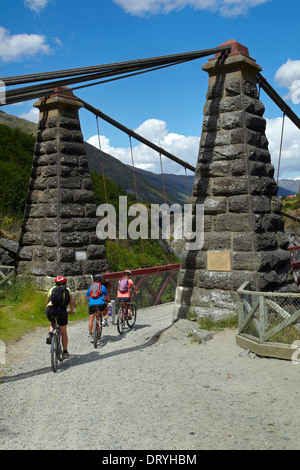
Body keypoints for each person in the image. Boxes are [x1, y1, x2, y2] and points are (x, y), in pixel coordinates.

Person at [45, 275, 75, 359]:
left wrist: (48, 310)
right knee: (63, 332)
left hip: (51, 309)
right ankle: (65, 352)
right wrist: (71, 311)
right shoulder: (67, 290)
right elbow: (71, 303)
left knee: (53, 322)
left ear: (55, 282)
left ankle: (50, 334)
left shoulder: (51, 289)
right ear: (65, 283)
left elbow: (47, 302)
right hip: (62, 311)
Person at [86, 273, 110, 337]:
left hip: (91, 305)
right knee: (108, 308)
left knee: (91, 319)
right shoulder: (102, 287)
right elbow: (107, 296)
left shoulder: (91, 286)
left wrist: (89, 301)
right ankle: (105, 319)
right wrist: (107, 301)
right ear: (101, 280)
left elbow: (87, 295)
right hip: (100, 304)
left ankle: (90, 333)